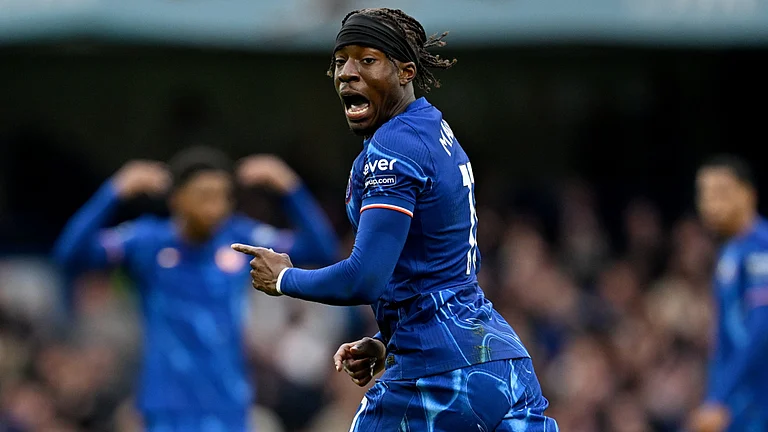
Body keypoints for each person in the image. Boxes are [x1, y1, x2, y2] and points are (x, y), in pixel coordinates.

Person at [233, 8, 559, 431]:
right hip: (500, 363)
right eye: (340, 61)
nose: (347, 73)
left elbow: (363, 278)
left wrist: (284, 279)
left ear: (405, 71)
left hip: (440, 377)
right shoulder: (431, 128)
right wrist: (390, 344)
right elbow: (434, 268)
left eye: (366, 60)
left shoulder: (393, 148)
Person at [53, 147, 339, 432]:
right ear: (177, 199)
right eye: (204, 196)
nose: (215, 207)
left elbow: (321, 250)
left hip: (228, 401)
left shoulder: (240, 238)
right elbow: (69, 255)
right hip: (167, 404)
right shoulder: (147, 241)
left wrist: (289, 188)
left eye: (223, 197)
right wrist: (114, 191)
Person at [689, 155, 768, 432]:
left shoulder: (762, 246)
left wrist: (719, 398)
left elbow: (761, 327)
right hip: (740, 396)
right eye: (704, 193)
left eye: (720, 192)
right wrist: (714, 397)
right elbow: (724, 337)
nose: (710, 203)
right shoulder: (729, 253)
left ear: (748, 194)